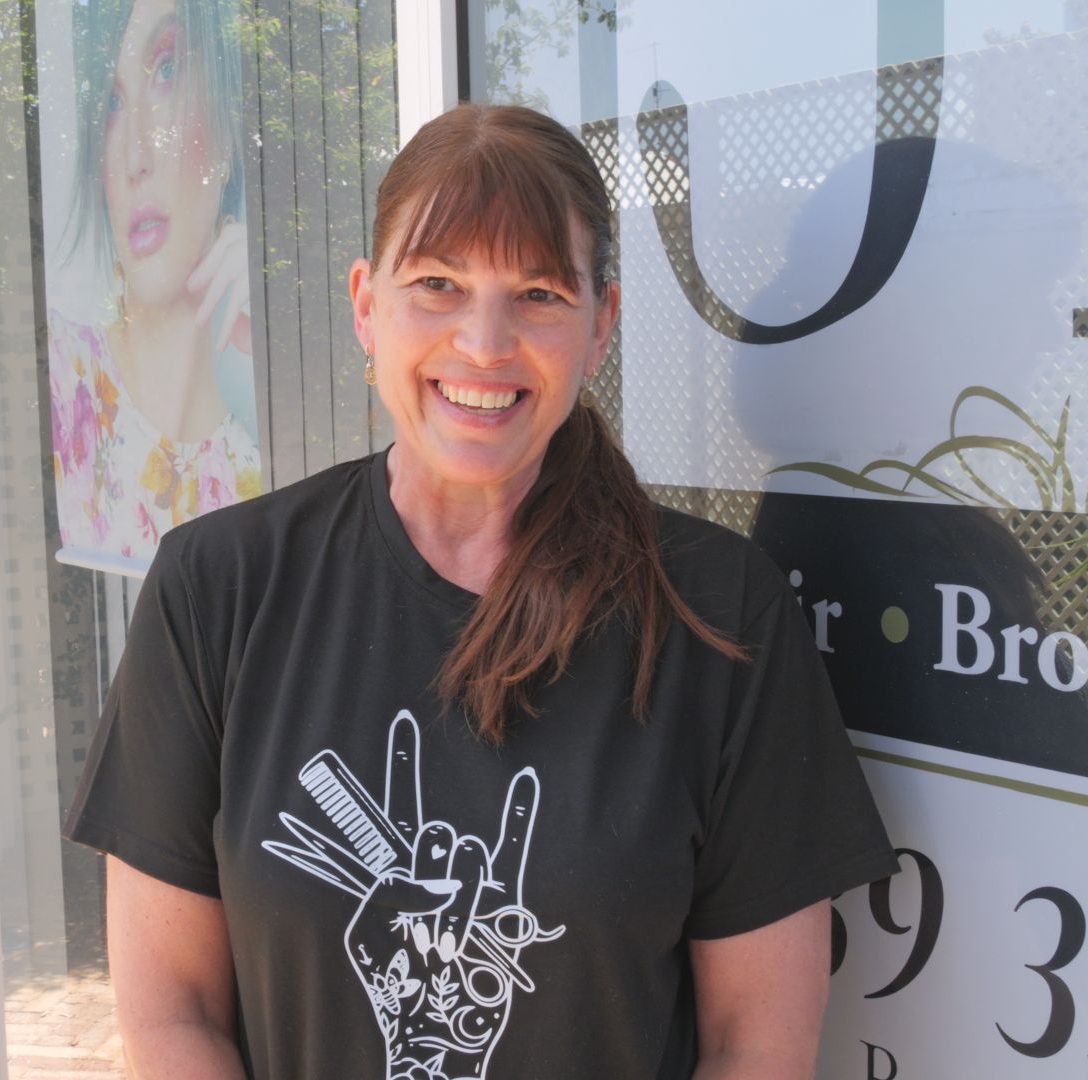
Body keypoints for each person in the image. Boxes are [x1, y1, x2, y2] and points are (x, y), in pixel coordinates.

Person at [65, 103, 897, 1078]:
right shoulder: (217, 590)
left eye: (538, 293)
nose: (485, 342)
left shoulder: (717, 616)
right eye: (437, 285)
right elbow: (172, 1017)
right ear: (367, 307)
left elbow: (755, 1045)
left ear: (600, 326)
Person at [48, 0, 262, 563]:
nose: (136, 153)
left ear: (229, 122)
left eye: (167, 70)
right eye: (113, 104)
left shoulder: (254, 468)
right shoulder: (66, 380)